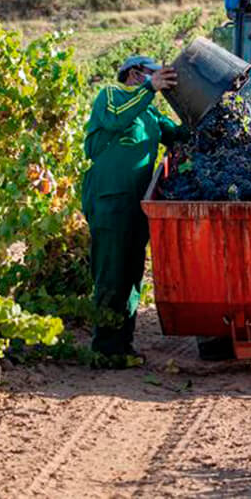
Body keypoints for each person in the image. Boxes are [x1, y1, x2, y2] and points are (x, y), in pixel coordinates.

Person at [81, 55, 186, 367]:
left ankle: (122, 346)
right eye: (152, 74)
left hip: (136, 206)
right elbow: (115, 119)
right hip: (109, 201)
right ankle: (104, 349)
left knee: (131, 275)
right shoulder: (111, 97)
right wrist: (149, 89)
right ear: (135, 73)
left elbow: (178, 136)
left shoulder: (149, 113)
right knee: (111, 273)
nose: (157, 80)